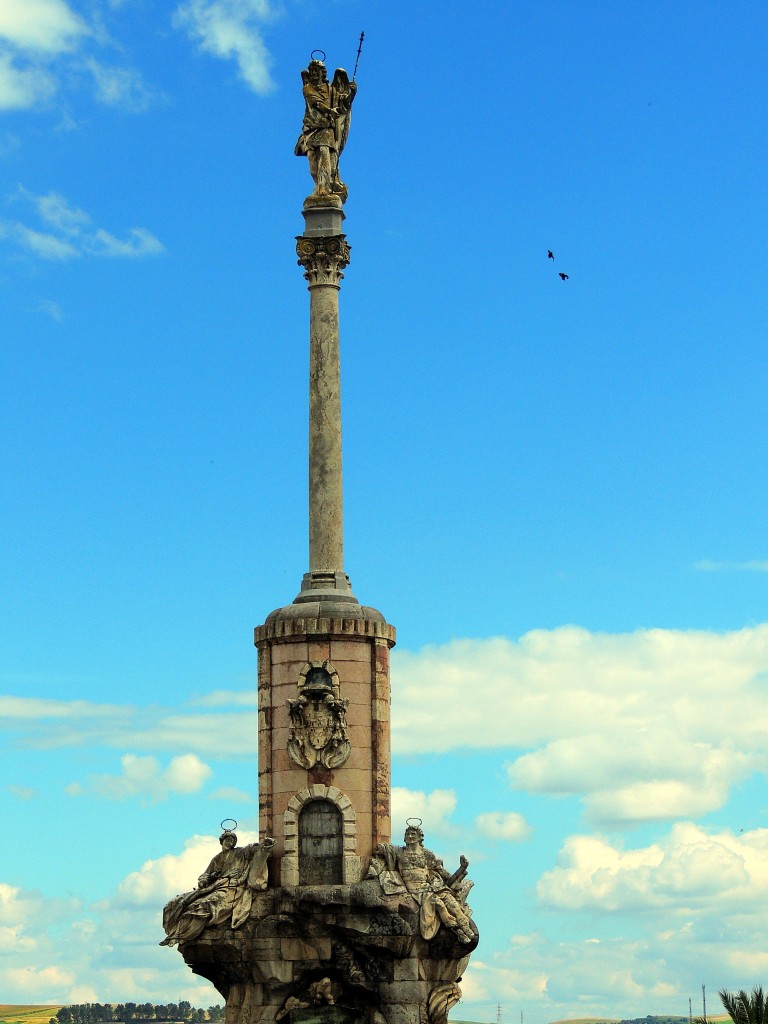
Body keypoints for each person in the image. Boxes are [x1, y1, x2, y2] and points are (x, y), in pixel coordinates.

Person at [160, 830, 275, 946]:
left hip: (232, 889)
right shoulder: (216, 858)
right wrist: (205, 880)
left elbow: (251, 849)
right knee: (180, 903)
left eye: (232, 841)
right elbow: (205, 875)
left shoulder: (240, 852)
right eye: (227, 840)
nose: (229, 843)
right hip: (214, 888)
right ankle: (175, 934)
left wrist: (263, 845)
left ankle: (180, 936)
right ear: (222, 841)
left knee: (203, 906)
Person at [366, 825, 474, 943]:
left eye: (413, 834)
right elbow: (380, 848)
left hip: (431, 887)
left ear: (420, 837)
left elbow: (444, 875)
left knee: (452, 903)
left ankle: (465, 927)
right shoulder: (399, 851)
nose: (410, 836)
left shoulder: (427, 854)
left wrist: (462, 868)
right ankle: (459, 932)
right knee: (438, 904)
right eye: (407, 834)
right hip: (415, 891)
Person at [294, 59, 356, 202]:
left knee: (324, 155)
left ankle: (324, 189)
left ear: (323, 73)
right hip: (311, 129)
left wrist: (352, 93)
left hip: (326, 130)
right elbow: (316, 103)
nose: (314, 74)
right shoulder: (308, 88)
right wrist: (330, 110)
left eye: (317, 71)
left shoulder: (332, 91)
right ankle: (318, 187)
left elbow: (344, 105)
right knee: (313, 164)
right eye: (312, 71)